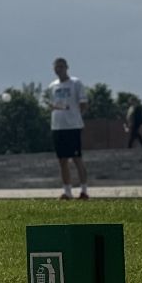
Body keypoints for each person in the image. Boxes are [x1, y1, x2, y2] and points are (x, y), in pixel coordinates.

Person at [47, 57, 89, 200]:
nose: (58, 70)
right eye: (56, 67)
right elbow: (52, 104)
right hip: (58, 126)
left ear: (66, 67)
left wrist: (74, 115)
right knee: (62, 160)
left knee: (77, 158)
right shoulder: (52, 86)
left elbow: (83, 104)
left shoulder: (75, 83)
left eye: (61, 67)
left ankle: (84, 190)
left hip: (73, 126)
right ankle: (67, 191)